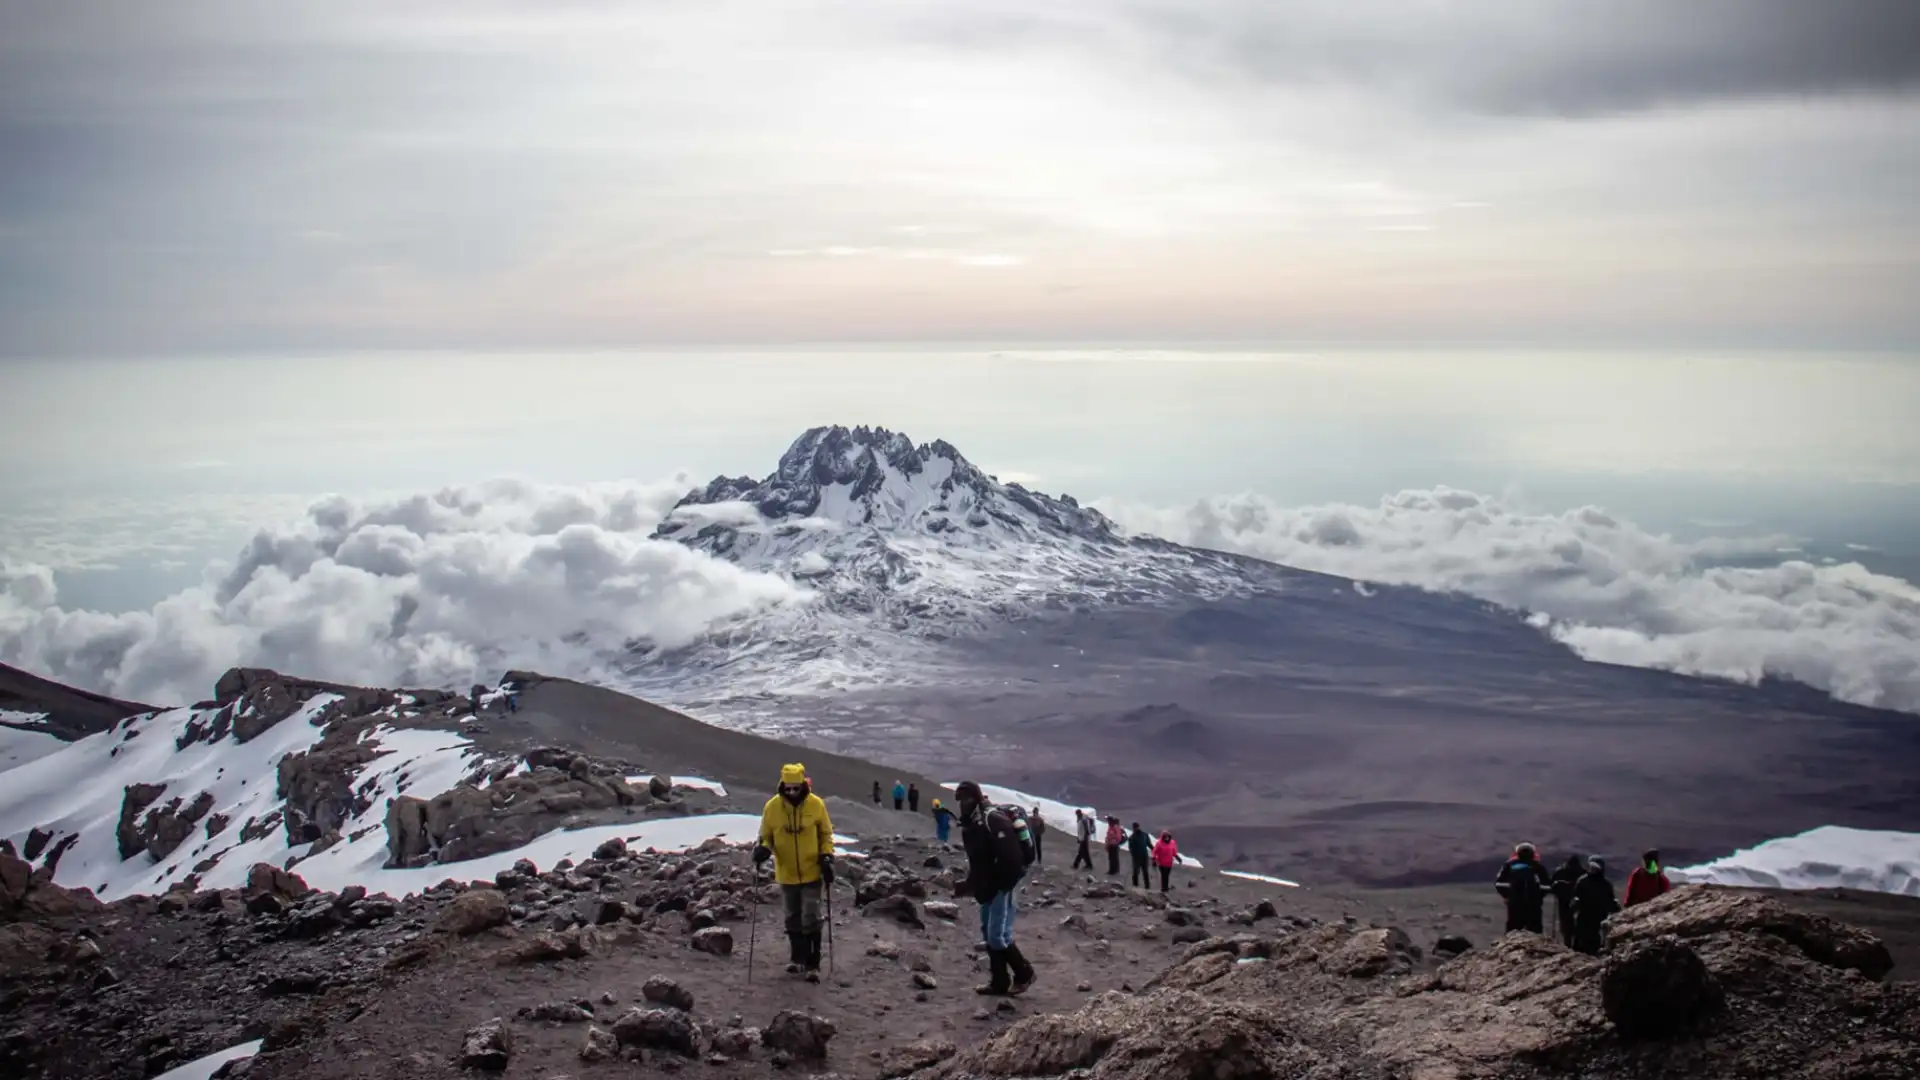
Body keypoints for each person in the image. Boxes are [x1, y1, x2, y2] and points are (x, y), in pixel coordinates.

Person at [951, 780, 1036, 996]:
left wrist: (1001, 885)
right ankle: (999, 982)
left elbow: (1010, 859)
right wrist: (971, 885)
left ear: (976, 797)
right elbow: (979, 861)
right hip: (989, 885)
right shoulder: (974, 823)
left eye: (967, 798)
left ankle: (1024, 973)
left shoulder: (992, 820)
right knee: (989, 933)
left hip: (1001, 885)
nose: (963, 804)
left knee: (997, 935)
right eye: (960, 799)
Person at [753, 763, 835, 982]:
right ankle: (796, 958)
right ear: (782, 786)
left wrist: (827, 856)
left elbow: (826, 833)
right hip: (786, 872)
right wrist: (762, 849)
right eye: (787, 789)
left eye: (795, 789)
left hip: (812, 871)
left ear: (802, 786)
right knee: (792, 916)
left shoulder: (816, 805)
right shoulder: (772, 807)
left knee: (811, 915)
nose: (791, 793)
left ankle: (813, 963)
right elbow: (766, 835)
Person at [1494, 842, 1552, 934]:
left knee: (1513, 931)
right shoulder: (1537, 866)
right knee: (1534, 932)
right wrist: (1539, 896)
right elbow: (1547, 885)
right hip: (1532, 906)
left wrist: (1508, 895)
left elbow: (1499, 883)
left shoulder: (1510, 865)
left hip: (1516, 905)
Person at [1571, 856, 1620, 954]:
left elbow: (1610, 900)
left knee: (1596, 943)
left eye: (1595, 867)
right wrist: (1575, 904)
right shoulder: (1583, 881)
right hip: (1584, 916)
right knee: (1580, 941)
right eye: (1591, 867)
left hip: (1599, 917)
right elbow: (1576, 895)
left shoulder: (1605, 884)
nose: (1592, 869)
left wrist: (1615, 908)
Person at [1549, 853, 1584, 947]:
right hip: (1572, 902)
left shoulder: (1560, 871)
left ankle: (1568, 944)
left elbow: (1552, 885)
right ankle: (1571, 944)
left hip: (1566, 901)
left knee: (1567, 924)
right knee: (1570, 924)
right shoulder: (1581, 872)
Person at [1128, 823, 1152, 888]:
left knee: (1145, 872)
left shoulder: (1145, 835)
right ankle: (1135, 886)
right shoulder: (1131, 837)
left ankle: (1147, 886)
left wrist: (1154, 851)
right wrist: (1133, 855)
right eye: (1135, 828)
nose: (1136, 829)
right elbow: (1130, 848)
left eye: (1136, 827)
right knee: (1136, 872)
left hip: (1144, 857)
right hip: (1137, 858)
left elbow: (1149, 844)